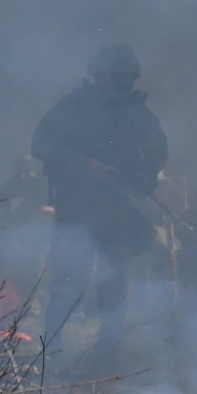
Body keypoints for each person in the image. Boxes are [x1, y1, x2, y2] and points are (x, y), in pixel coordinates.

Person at [32, 43, 168, 374]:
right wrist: (87, 165)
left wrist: (141, 176)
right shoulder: (73, 107)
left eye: (127, 77)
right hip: (75, 208)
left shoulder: (137, 113)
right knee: (68, 283)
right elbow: (41, 145)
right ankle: (51, 358)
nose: (122, 83)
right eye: (115, 76)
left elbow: (156, 154)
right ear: (99, 75)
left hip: (116, 211)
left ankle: (107, 358)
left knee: (113, 286)